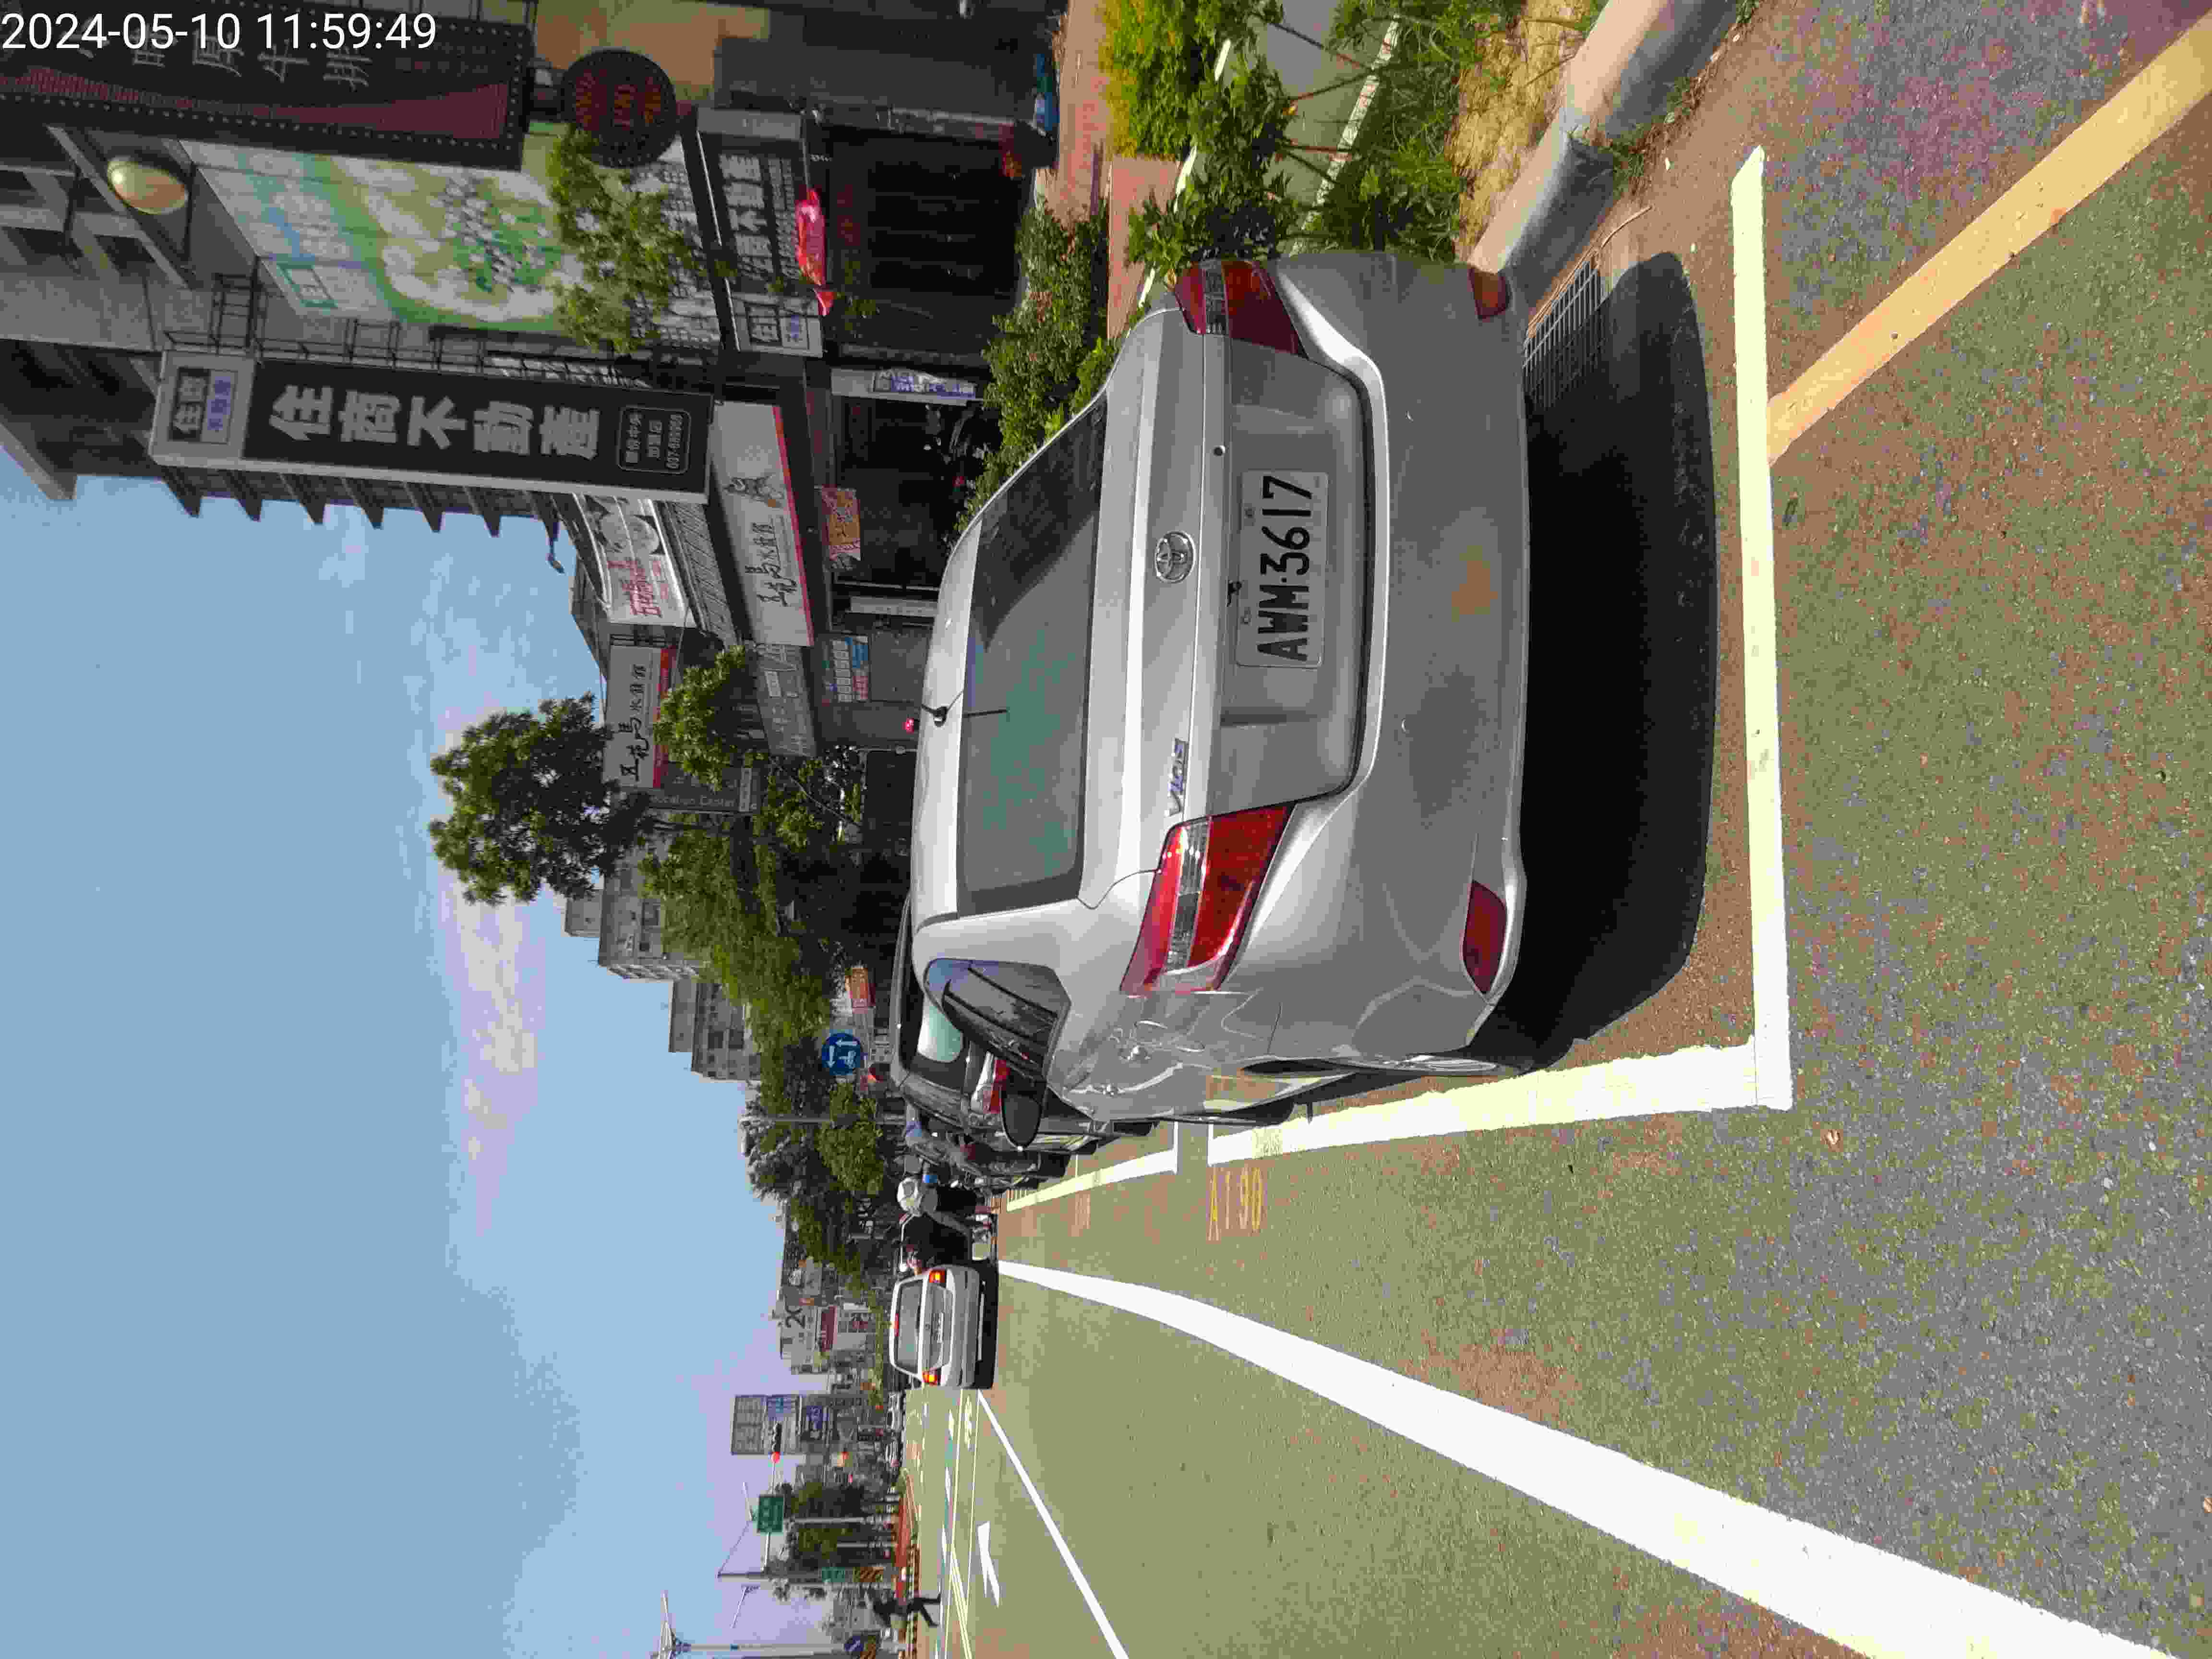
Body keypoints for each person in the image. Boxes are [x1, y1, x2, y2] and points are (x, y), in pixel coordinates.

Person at [871, 1591, 942, 1628]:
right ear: (879, 1605)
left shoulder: (884, 1611)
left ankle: (936, 1602)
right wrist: (908, 1601)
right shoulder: (887, 1605)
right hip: (904, 1608)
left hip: (903, 1611)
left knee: (919, 1602)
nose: (879, 1601)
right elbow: (897, 1603)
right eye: (878, 1602)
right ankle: (930, 1622)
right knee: (919, 1605)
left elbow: (895, 1604)